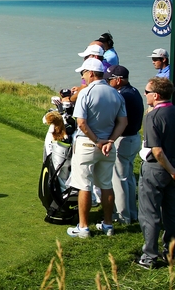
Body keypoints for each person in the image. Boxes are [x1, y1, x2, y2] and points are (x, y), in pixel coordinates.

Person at [136, 77, 175, 269]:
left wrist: (170, 171)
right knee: (171, 213)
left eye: (147, 92)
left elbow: (157, 151)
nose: (145, 94)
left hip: (156, 169)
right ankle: (172, 253)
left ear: (156, 95)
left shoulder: (153, 117)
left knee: (150, 214)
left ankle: (149, 257)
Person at [66, 58, 128, 239]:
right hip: (108, 147)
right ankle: (108, 225)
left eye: (83, 73)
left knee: (83, 185)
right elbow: (123, 122)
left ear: (91, 73)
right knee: (106, 185)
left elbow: (82, 123)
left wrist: (98, 141)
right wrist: (110, 141)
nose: (83, 76)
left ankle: (83, 228)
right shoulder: (116, 94)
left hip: (87, 143)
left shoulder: (86, 93)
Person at [104, 65, 144, 225]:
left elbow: (117, 120)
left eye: (109, 79)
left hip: (124, 140)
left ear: (118, 80)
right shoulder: (132, 91)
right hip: (134, 139)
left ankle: (123, 217)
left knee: (119, 180)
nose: (107, 82)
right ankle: (132, 214)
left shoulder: (123, 96)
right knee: (128, 179)